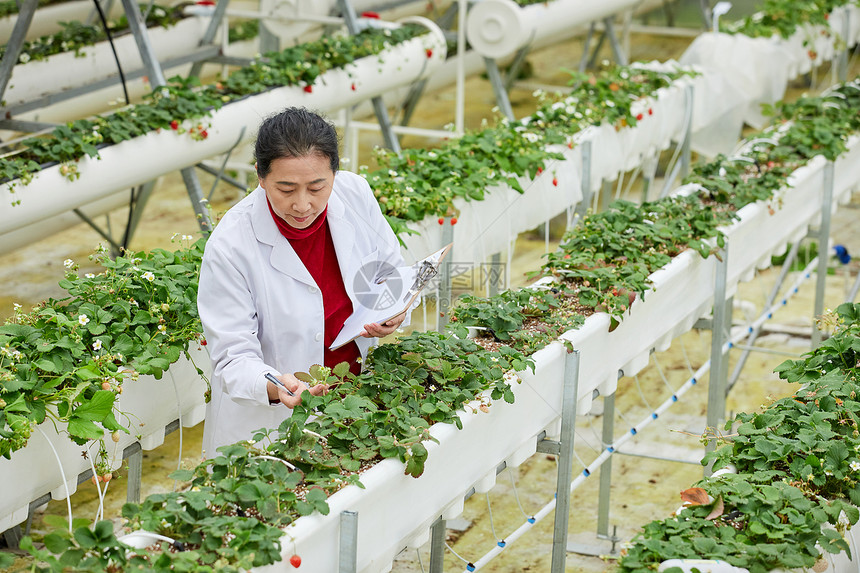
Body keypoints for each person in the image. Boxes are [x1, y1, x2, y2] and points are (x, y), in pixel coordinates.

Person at [197, 107, 407, 457]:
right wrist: (278, 386)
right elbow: (233, 356)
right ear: (260, 178)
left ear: (335, 174)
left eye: (316, 186)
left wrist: (394, 309)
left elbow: (389, 272)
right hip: (272, 422)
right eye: (286, 188)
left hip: (353, 398)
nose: (302, 204)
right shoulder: (231, 244)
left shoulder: (355, 194)